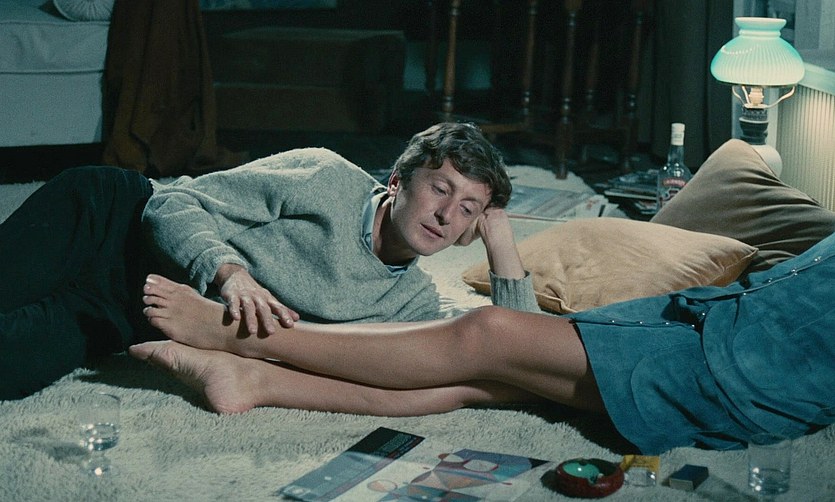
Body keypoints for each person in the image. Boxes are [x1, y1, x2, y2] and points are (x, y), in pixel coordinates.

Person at [130, 228, 835, 455]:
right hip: (709, 326)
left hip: (733, 369)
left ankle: (240, 338)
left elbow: (506, 315)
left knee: (486, 334)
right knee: (483, 379)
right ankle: (256, 381)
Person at [0, 122, 537, 400]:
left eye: (467, 209)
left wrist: (500, 240)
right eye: (440, 189)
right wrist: (230, 274)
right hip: (110, 222)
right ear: (397, 181)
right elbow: (173, 203)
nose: (446, 215)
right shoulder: (326, 176)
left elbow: (523, 354)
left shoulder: (412, 304)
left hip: (127, 313)